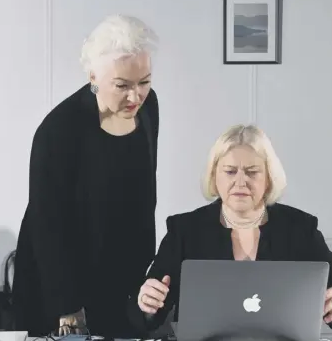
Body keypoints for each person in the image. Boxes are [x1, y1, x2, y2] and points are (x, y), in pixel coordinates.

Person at [12, 14, 160, 338]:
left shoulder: (148, 109)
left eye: (144, 82)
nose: (135, 97)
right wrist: (68, 308)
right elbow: (46, 226)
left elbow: (145, 192)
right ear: (93, 74)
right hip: (61, 284)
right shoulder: (59, 130)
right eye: (122, 86)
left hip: (121, 275)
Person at [130, 124, 332, 336]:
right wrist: (147, 304)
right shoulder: (185, 230)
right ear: (214, 176)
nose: (240, 181)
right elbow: (148, 318)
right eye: (230, 171)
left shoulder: (301, 229)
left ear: (269, 178)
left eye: (252, 172)